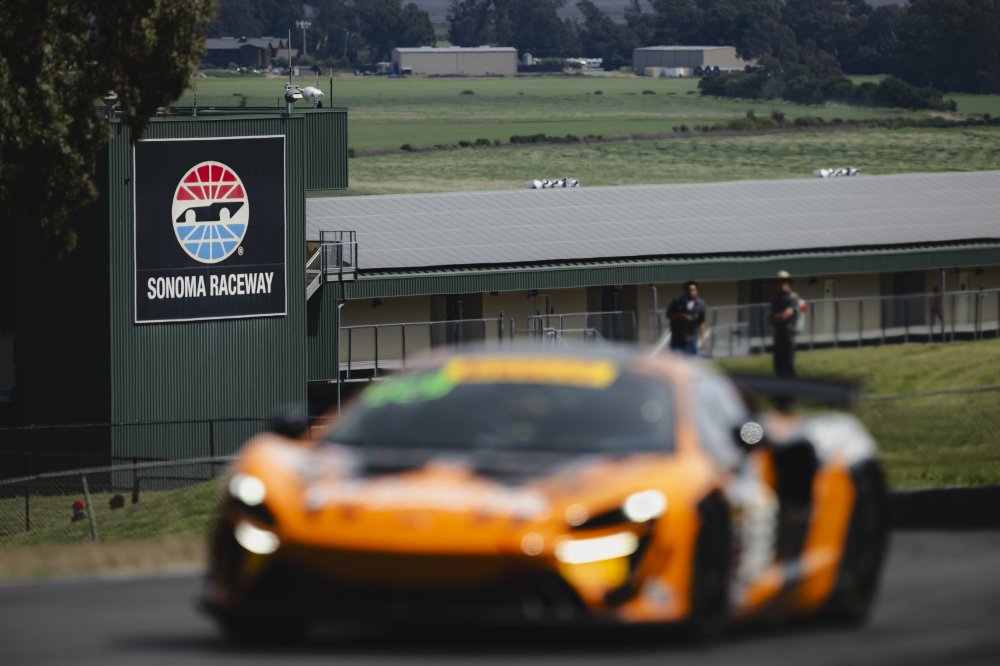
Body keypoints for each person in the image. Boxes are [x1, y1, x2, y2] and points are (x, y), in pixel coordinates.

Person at [770, 270, 799, 378]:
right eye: (780, 281)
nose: (782, 284)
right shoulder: (776, 299)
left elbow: (787, 314)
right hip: (778, 335)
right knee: (778, 365)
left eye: (784, 281)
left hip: (788, 334)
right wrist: (778, 317)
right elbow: (769, 319)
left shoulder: (792, 297)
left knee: (788, 364)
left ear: (788, 283)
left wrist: (777, 317)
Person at [666, 280, 706, 356]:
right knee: (676, 360)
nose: (690, 292)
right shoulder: (677, 301)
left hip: (691, 338)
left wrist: (703, 338)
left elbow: (701, 321)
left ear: (697, 291)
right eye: (688, 290)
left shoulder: (700, 304)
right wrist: (681, 316)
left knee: (690, 360)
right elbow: (668, 315)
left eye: (693, 290)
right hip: (677, 338)